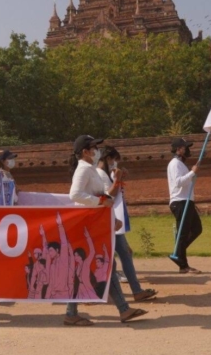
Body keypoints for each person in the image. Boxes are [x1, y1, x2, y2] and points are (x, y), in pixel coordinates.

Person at [63, 135, 148, 326]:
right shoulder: (83, 170)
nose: (97, 151)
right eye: (94, 147)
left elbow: (102, 197)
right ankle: (122, 309)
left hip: (93, 224)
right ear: (85, 151)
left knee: (98, 266)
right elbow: (75, 194)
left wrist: (112, 217)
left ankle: (74, 312)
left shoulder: (89, 169)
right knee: (103, 265)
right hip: (86, 226)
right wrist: (101, 202)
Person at [97, 146, 156, 302]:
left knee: (123, 254)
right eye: (113, 159)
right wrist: (117, 180)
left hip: (111, 221)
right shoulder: (99, 175)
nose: (114, 163)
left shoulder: (104, 174)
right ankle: (129, 294)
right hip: (106, 222)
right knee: (111, 259)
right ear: (107, 158)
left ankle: (135, 291)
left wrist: (119, 179)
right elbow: (108, 196)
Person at [167, 137, 203, 274]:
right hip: (180, 201)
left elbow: (187, 182)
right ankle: (183, 264)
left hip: (187, 201)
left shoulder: (181, 164)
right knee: (183, 234)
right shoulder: (175, 164)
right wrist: (193, 172)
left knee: (196, 229)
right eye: (185, 147)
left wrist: (193, 173)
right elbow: (178, 182)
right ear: (178, 149)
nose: (187, 150)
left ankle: (178, 252)